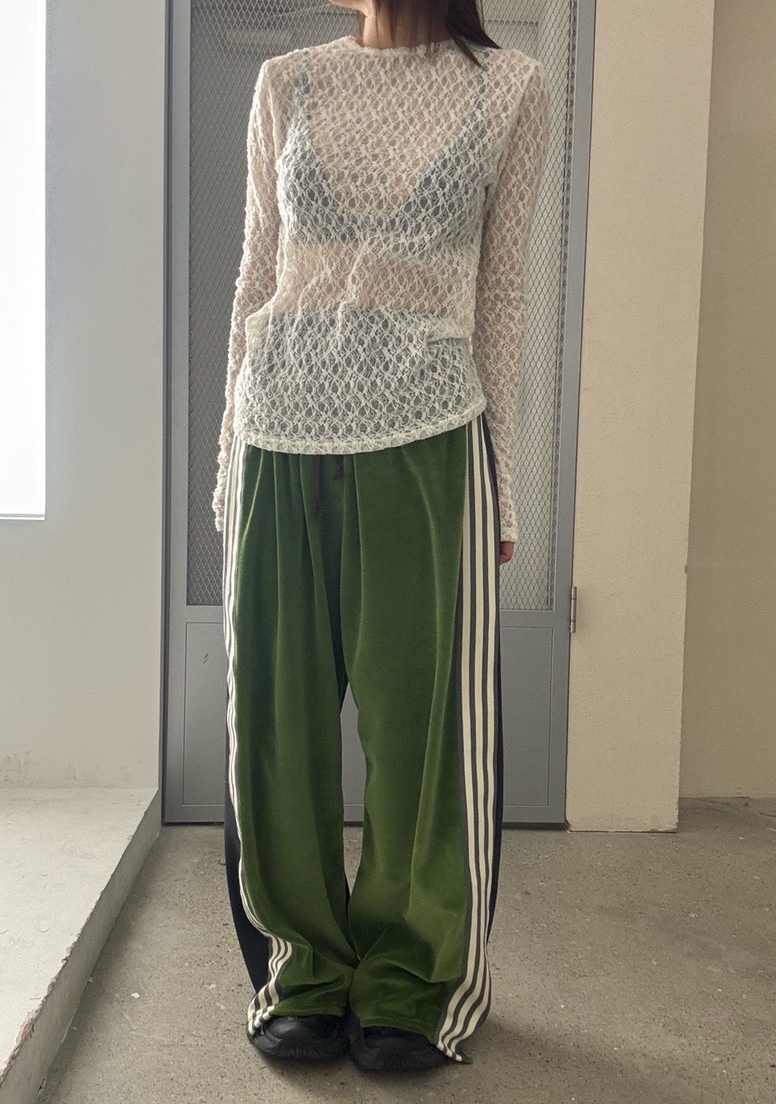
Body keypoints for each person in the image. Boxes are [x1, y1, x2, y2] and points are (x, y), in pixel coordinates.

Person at [212, 0, 550, 1074]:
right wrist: (227, 459)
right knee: (277, 727)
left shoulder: (510, 91)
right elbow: (256, 274)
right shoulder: (288, 83)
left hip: (426, 437)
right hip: (279, 430)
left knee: (425, 735)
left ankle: (413, 982)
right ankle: (303, 970)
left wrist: (499, 487)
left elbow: (502, 298)